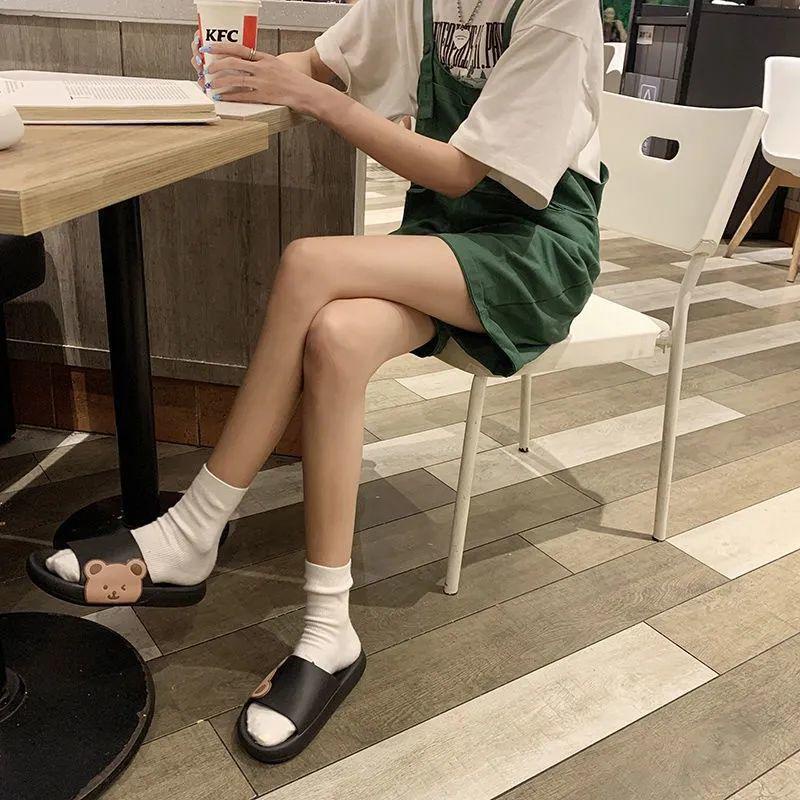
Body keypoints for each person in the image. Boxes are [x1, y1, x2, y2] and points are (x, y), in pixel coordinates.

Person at [30, 0, 605, 763]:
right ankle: (329, 632)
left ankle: (194, 531)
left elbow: (462, 170)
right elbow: (319, 66)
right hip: (444, 239)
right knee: (335, 338)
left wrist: (317, 100)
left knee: (309, 262)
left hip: (536, 253)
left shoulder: (560, 7)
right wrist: (239, 71)